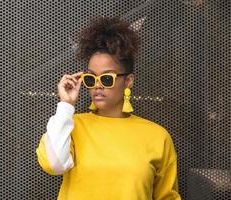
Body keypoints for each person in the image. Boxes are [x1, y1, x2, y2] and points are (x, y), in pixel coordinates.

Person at [36, 16, 181, 200]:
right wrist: (66, 105)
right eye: (91, 78)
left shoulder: (157, 136)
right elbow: (53, 165)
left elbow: (167, 197)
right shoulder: (70, 126)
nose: (98, 86)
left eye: (106, 78)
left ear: (128, 81)